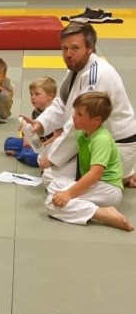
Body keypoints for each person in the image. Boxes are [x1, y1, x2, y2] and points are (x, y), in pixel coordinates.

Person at [28, 22, 136, 187]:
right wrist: (41, 123)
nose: (68, 54)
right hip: (92, 139)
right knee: (44, 158)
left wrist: (53, 159)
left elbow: (80, 123)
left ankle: (122, 175)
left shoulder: (97, 76)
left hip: (114, 146)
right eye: (64, 48)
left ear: (90, 47)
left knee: (51, 177)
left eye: (75, 48)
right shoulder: (77, 67)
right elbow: (63, 103)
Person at [45, 92, 133, 231]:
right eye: (75, 112)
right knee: (54, 185)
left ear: (96, 120)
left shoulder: (101, 139)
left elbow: (95, 174)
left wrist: (69, 194)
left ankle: (102, 213)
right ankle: (88, 206)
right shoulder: (83, 133)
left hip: (108, 190)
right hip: (96, 186)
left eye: (80, 114)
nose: (74, 116)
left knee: (52, 203)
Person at [4, 76, 59, 167]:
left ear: (50, 96)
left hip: (49, 146)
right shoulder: (36, 111)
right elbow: (31, 131)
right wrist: (26, 138)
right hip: (36, 142)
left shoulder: (56, 114)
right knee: (9, 142)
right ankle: (24, 152)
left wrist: (42, 145)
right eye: (31, 94)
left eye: (37, 94)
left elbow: (57, 138)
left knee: (32, 157)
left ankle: (19, 154)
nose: (33, 97)